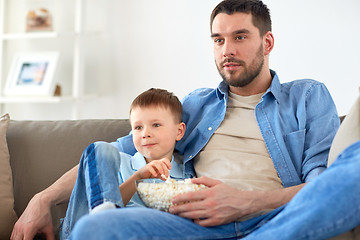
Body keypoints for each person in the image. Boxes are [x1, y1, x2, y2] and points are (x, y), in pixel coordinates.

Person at [11, 0, 340, 239]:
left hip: (274, 222)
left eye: (240, 37)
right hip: (194, 227)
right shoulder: (196, 105)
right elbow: (114, 151)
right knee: (98, 226)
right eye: (218, 39)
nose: (227, 50)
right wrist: (41, 200)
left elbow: (324, 186)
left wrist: (245, 202)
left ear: (267, 42)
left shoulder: (307, 97)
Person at [60, 88, 186, 239]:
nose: (145, 133)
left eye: (156, 125)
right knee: (102, 149)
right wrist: (138, 177)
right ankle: (103, 214)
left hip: (129, 233)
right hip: (83, 227)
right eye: (138, 127)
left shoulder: (186, 175)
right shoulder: (117, 163)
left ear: (179, 131)